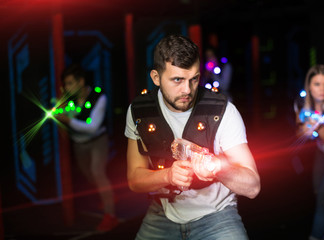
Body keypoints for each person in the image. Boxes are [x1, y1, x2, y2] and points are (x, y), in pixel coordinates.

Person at [125, 34, 260, 240]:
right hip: (162, 214)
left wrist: (216, 167)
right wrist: (168, 176)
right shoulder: (139, 111)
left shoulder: (223, 110)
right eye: (177, 80)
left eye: (194, 79)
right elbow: (134, 180)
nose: (187, 90)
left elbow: (252, 186)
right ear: (155, 78)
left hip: (217, 214)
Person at [55, 64, 118, 232]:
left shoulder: (98, 96)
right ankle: (106, 198)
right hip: (78, 144)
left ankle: (110, 215)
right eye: (65, 84)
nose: (66, 88)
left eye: (70, 83)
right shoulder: (68, 100)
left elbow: (92, 127)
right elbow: (64, 118)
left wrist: (67, 120)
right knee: (89, 175)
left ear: (80, 81)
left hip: (97, 140)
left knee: (97, 172)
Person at [294, 64, 324, 240]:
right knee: (318, 191)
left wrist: (316, 127)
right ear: (309, 85)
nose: (322, 89)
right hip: (322, 153)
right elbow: (298, 132)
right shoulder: (302, 103)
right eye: (317, 84)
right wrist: (305, 128)